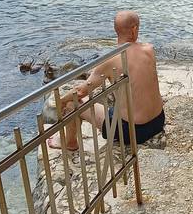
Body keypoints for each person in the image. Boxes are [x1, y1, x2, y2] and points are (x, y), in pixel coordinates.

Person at [49, 11, 164, 150]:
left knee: (71, 104)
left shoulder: (110, 59)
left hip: (133, 131)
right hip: (158, 121)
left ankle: (69, 142)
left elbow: (79, 92)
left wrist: (60, 102)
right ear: (134, 29)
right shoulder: (149, 49)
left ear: (116, 30)